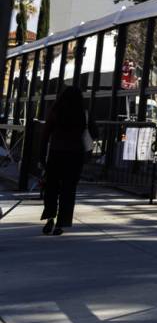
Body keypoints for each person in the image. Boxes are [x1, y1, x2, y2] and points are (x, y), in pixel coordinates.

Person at [40, 85, 92, 236]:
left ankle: (50, 217)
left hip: (56, 153)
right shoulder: (82, 113)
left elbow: (45, 135)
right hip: (75, 155)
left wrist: (42, 156)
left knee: (51, 187)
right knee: (68, 190)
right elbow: (93, 131)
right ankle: (61, 224)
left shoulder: (55, 111)